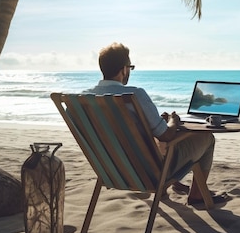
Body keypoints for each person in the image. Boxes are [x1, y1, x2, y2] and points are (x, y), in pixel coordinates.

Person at [84, 42, 226, 205]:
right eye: (130, 67)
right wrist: (173, 121)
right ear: (124, 69)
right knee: (207, 137)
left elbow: (120, 130)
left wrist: (153, 122)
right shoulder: (134, 94)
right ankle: (196, 195)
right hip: (149, 173)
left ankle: (173, 188)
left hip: (112, 170)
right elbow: (165, 135)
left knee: (158, 143)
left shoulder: (84, 99)